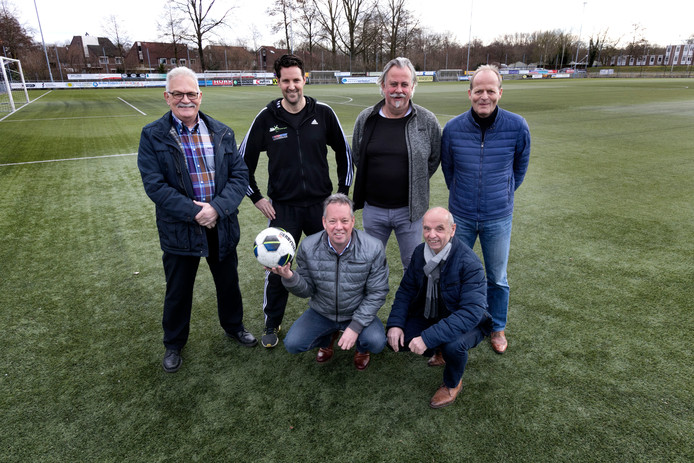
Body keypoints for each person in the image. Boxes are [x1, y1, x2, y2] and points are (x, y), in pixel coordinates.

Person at [138, 66, 257, 373]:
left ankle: (234, 327)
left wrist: (216, 208)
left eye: (191, 93)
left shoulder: (222, 132)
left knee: (229, 283)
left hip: (221, 223)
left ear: (200, 96)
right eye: (178, 93)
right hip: (181, 230)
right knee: (178, 290)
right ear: (167, 97)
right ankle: (174, 343)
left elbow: (239, 175)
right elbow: (155, 186)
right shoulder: (152, 135)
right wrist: (196, 213)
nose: (185, 99)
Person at [240, 54, 353, 349]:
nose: (292, 86)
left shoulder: (324, 113)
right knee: (277, 267)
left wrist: (342, 194)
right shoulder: (266, 119)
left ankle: (332, 320)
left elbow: (345, 154)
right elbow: (242, 164)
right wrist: (256, 197)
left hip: (320, 208)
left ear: (306, 79)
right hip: (284, 208)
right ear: (278, 82)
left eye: (296, 79)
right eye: (285, 80)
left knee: (329, 266)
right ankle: (272, 321)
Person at [441, 64, 531, 355]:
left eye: (490, 90)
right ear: (469, 93)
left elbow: (519, 167)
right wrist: (463, 195)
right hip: (461, 216)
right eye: (478, 90)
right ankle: (452, 326)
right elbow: (448, 169)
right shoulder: (453, 128)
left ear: (500, 93)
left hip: (498, 216)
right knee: (453, 274)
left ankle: (497, 326)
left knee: (497, 277)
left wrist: (501, 192)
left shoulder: (517, 126)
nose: (484, 96)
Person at [386, 207, 492, 408]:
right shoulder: (419, 253)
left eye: (439, 229)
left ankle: (453, 382)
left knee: (454, 345)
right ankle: (439, 349)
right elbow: (406, 291)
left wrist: (427, 338)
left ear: (452, 230)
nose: (431, 235)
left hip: (470, 323)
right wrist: (395, 324)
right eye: (427, 228)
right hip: (432, 315)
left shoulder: (469, 262)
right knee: (397, 340)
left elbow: (471, 313)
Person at [269, 194, 389, 370]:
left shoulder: (373, 247)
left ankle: (362, 348)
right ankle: (327, 338)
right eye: (333, 221)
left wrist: (355, 327)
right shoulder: (308, 246)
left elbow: (377, 292)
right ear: (324, 222)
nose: (338, 227)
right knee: (293, 344)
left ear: (353, 221)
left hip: (356, 311)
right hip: (322, 311)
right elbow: (306, 290)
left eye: (344, 220)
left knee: (376, 342)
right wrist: (289, 277)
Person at [352, 57, 441, 271]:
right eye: (393, 84)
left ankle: (413, 306)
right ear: (383, 85)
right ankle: (368, 305)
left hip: (410, 212)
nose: (398, 90)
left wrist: (414, 180)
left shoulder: (427, 121)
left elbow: (434, 159)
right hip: (373, 211)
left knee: (414, 268)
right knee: (369, 266)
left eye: (404, 84)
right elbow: (357, 155)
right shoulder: (366, 119)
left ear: (412, 87)